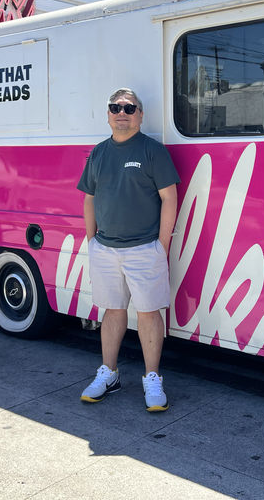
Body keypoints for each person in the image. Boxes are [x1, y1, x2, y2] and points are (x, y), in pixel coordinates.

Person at [77, 88, 179, 412]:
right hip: (104, 250)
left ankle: (152, 379)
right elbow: (89, 198)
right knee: (112, 311)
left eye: (129, 107)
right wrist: (92, 241)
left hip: (144, 249)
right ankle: (109, 374)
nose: (122, 112)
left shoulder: (153, 151)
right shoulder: (98, 153)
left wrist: (161, 246)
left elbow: (169, 198)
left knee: (149, 314)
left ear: (140, 114)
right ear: (108, 114)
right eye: (115, 107)